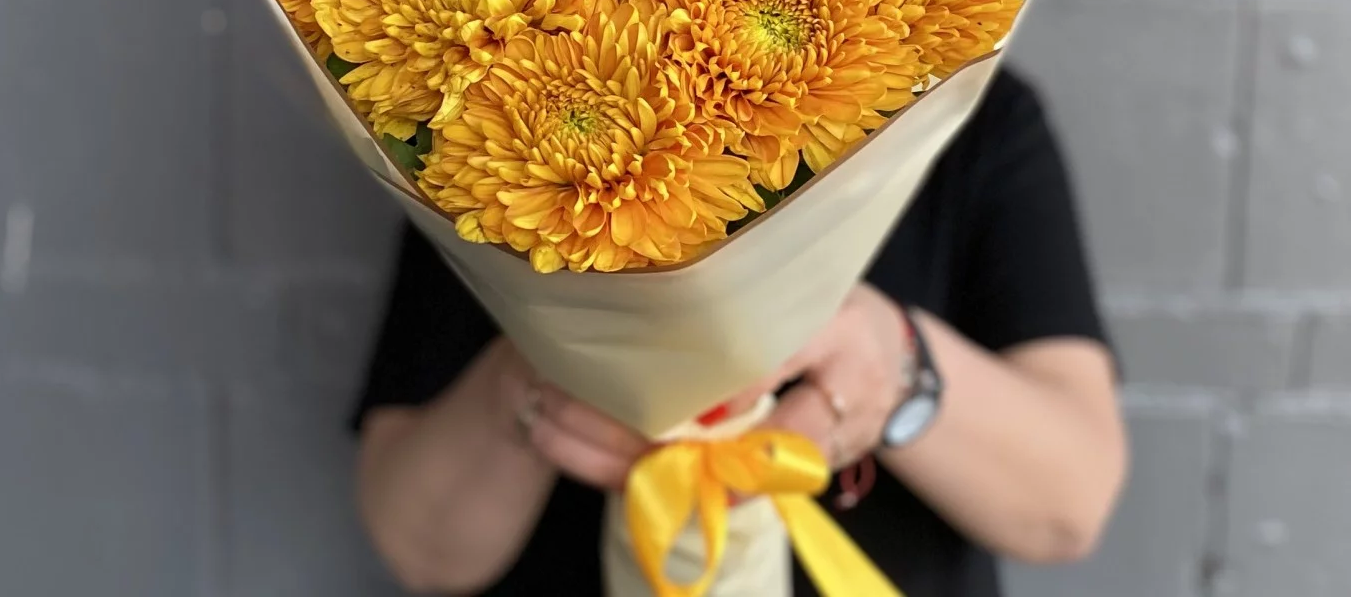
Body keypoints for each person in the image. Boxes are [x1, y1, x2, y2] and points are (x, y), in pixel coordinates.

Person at [353, 69, 1127, 596]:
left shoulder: (972, 118)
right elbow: (418, 550)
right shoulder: (497, 123)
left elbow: (1070, 507)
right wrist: (533, 377)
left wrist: (896, 370)